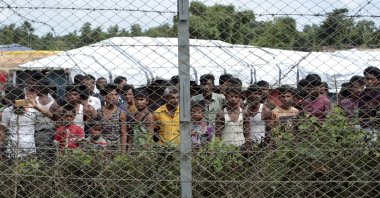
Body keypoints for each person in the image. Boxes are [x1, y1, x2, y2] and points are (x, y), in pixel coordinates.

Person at [0, 87, 41, 159]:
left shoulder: (33, 109)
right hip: (14, 147)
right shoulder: (7, 111)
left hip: (29, 146)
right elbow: (2, 131)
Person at [96, 84, 129, 153]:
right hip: (101, 146)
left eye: (116, 94)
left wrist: (123, 151)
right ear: (105, 96)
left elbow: (123, 134)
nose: (114, 97)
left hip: (115, 147)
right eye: (111, 95)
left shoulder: (121, 113)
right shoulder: (99, 112)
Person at [358, 66, 380, 141]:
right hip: (363, 125)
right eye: (367, 79)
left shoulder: (378, 94)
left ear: (378, 80)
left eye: (372, 79)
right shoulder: (362, 94)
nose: (369, 81)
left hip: (375, 127)